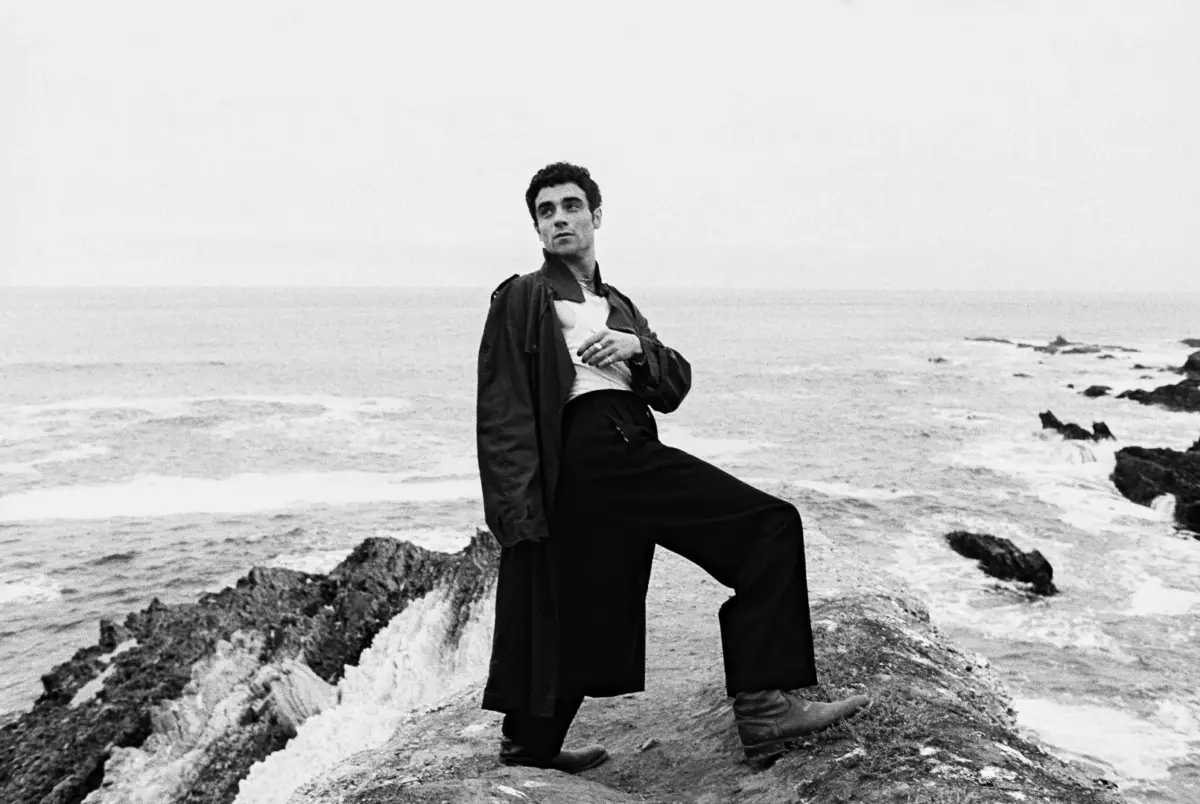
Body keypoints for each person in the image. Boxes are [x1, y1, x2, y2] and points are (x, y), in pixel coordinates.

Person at [476, 162, 869, 773]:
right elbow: (502, 405)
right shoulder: (525, 295)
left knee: (584, 600)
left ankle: (529, 743)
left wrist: (637, 351)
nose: (559, 219)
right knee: (767, 526)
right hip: (590, 448)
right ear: (537, 228)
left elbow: (675, 384)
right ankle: (764, 707)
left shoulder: (618, 306)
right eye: (546, 212)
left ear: (596, 216)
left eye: (571, 206)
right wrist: (514, 511)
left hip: (626, 438)